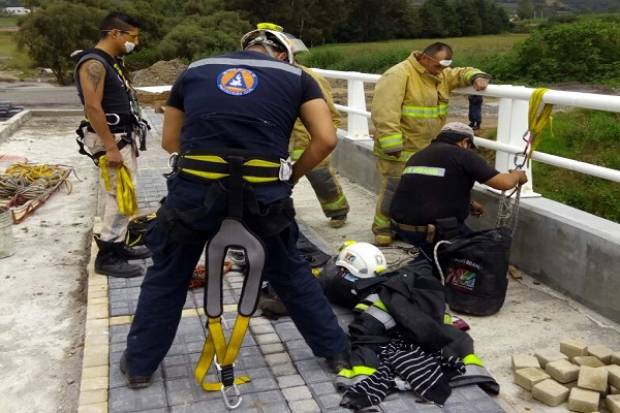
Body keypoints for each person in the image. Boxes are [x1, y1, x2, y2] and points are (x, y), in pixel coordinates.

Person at [120, 23, 349, 388]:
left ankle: (140, 366)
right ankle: (336, 352)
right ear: (281, 54)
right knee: (288, 272)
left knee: (169, 274)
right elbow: (325, 138)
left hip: (194, 193)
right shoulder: (296, 77)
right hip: (264, 196)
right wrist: (289, 178)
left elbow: (170, 141)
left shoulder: (195, 70)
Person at [370, 42, 491, 246]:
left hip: (427, 150)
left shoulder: (440, 75)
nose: (441, 71)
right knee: (393, 188)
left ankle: (405, 227)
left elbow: (461, 73)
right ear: (425, 58)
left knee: (422, 190)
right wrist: (392, 143)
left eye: (444, 67)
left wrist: (477, 76)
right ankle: (382, 228)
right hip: (400, 149)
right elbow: (384, 111)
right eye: (438, 66)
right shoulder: (399, 75)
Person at [73, 12, 151, 278]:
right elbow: (93, 107)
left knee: (123, 194)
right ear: (115, 33)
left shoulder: (110, 62)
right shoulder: (93, 63)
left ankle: (117, 245)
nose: (135, 43)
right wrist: (111, 147)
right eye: (133, 36)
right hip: (113, 139)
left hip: (122, 137)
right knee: (118, 196)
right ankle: (107, 256)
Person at [389, 122, 527, 259]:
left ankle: (429, 262)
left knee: (438, 254)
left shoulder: (418, 155)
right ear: (465, 141)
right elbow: (504, 183)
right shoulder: (463, 155)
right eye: (470, 147)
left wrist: (470, 204)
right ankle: (432, 267)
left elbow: (431, 187)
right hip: (431, 231)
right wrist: (517, 174)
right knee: (479, 255)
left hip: (401, 227)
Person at [290, 54, 350, 228]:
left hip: (306, 139)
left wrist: (324, 132)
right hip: (278, 139)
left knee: (320, 176)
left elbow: (329, 110)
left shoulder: (308, 77)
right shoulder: (264, 75)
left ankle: (338, 211)